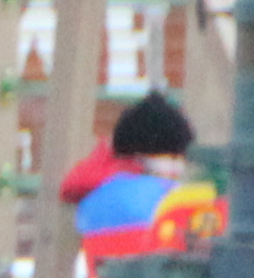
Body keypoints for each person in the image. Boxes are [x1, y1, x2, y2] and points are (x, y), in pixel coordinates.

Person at [62, 91, 203, 248]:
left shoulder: (94, 195)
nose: (177, 168)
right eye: (173, 158)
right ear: (143, 154)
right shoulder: (161, 194)